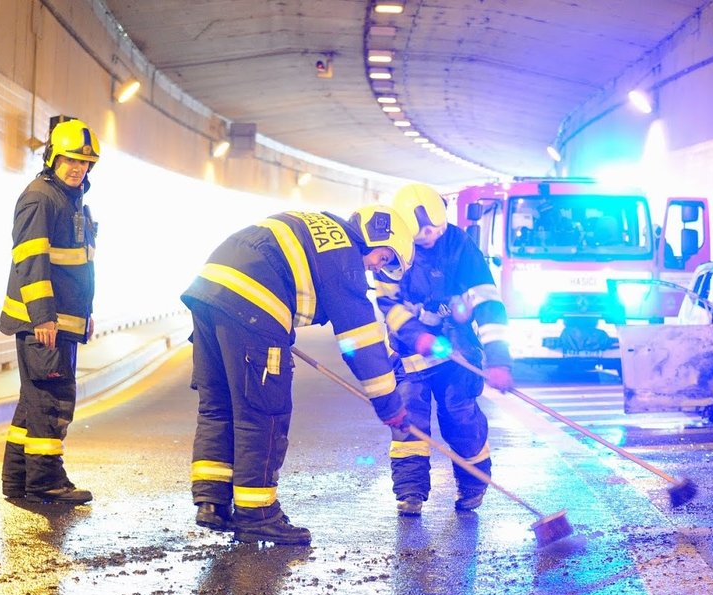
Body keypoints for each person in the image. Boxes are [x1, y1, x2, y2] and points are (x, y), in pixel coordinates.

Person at [182, 206, 416, 545]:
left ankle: (212, 501)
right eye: (384, 258)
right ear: (378, 234)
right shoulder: (345, 258)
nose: (378, 267)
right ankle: (257, 513)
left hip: (208, 291)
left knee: (219, 403)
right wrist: (390, 407)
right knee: (263, 411)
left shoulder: (322, 228)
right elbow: (362, 343)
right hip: (253, 303)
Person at [374, 182, 513, 517]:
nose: (431, 237)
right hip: (412, 355)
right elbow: (388, 303)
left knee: (461, 417)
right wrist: (416, 335)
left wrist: (498, 359)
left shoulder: (460, 246)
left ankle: (473, 486)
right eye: (422, 233)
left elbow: (488, 304)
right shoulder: (392, 249)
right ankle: (410, 492)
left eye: (436, 228)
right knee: (410, 422)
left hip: (457, 354)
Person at [0, 118, 101, 504]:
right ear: (52, 158)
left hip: (63, 321)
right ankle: (46, 482)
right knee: (51, 401)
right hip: (44, 323)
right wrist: (43, 315)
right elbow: (30, 259)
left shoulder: (70, 199)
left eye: (85, 162)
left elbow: (79, 265)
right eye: (71, 160)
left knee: (33, 403)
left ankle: (18, 481)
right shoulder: (40, 198)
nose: (78, 168)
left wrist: (87, 312)